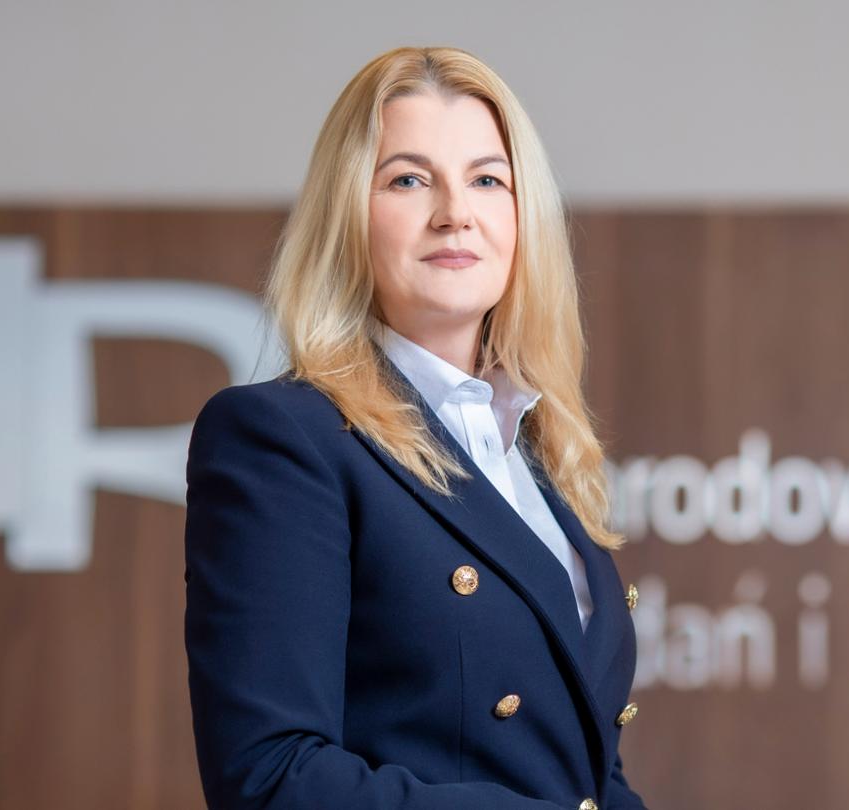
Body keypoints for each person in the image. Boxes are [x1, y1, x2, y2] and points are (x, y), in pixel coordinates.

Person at [183, 46, 647, 810]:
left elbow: (585, 775)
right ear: (348, 216)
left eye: (487, 180)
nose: (455, 212)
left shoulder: (534, 446)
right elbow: (269, 777)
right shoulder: (281, 437)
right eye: (408, 179)